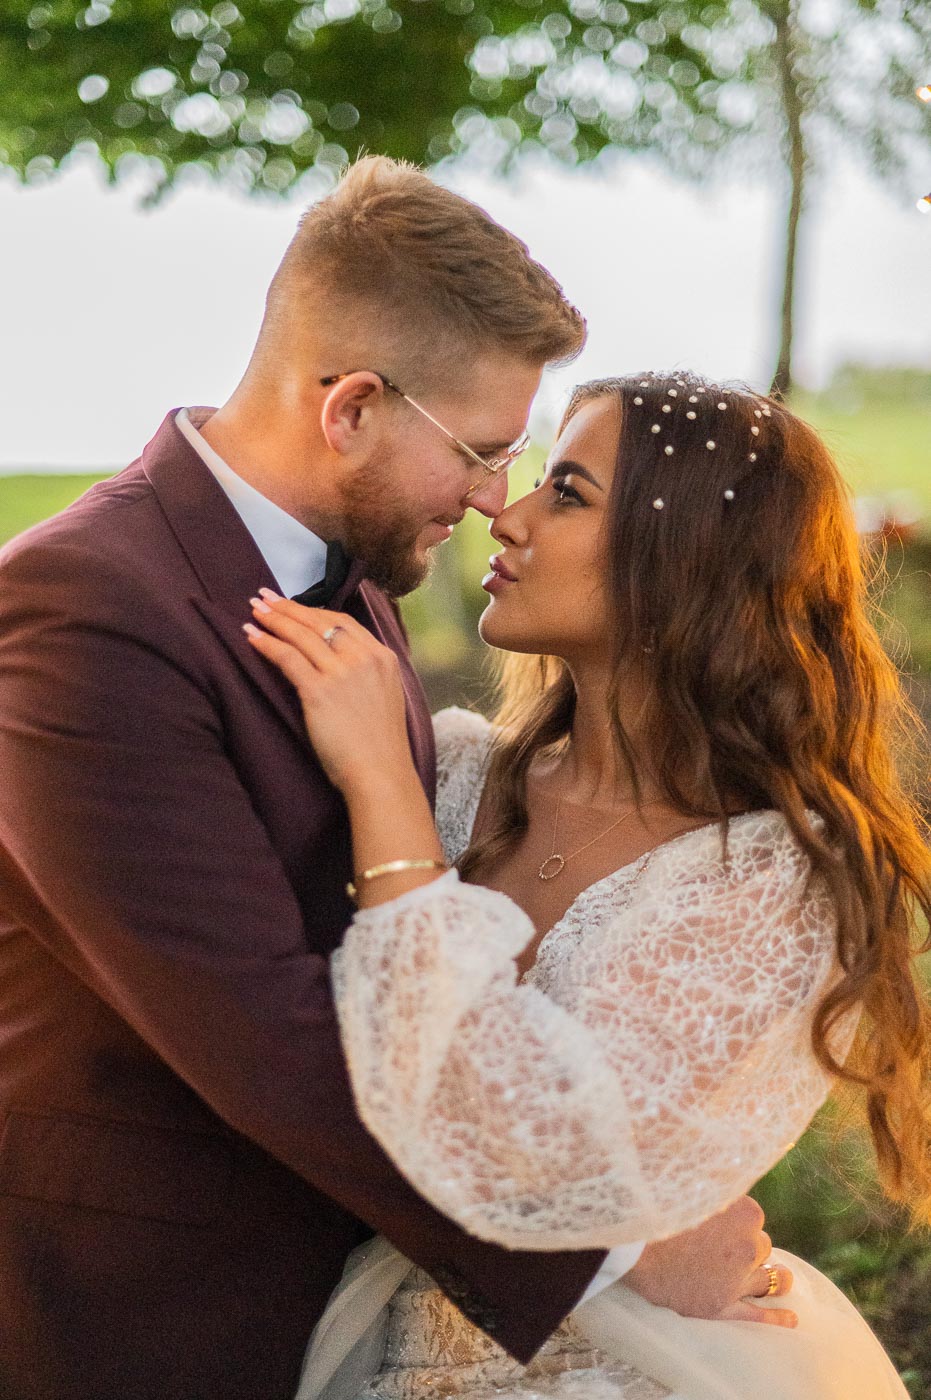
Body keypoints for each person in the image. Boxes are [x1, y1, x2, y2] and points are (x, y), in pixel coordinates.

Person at [0, 162, 781, 1400]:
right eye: (481, 452)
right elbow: (262, 1025)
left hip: (338, 1303)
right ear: (353, 407)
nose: (491, 500)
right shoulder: (80, 604)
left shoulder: (357, 578)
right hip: (135, 1309)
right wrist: (615, 1245)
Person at [243, 372, 931, 1399]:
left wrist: (378, 785)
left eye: (565, 492)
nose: (505, 515)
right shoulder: (451, 772)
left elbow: (526, 1145)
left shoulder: (773, 873)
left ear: (683, 556)